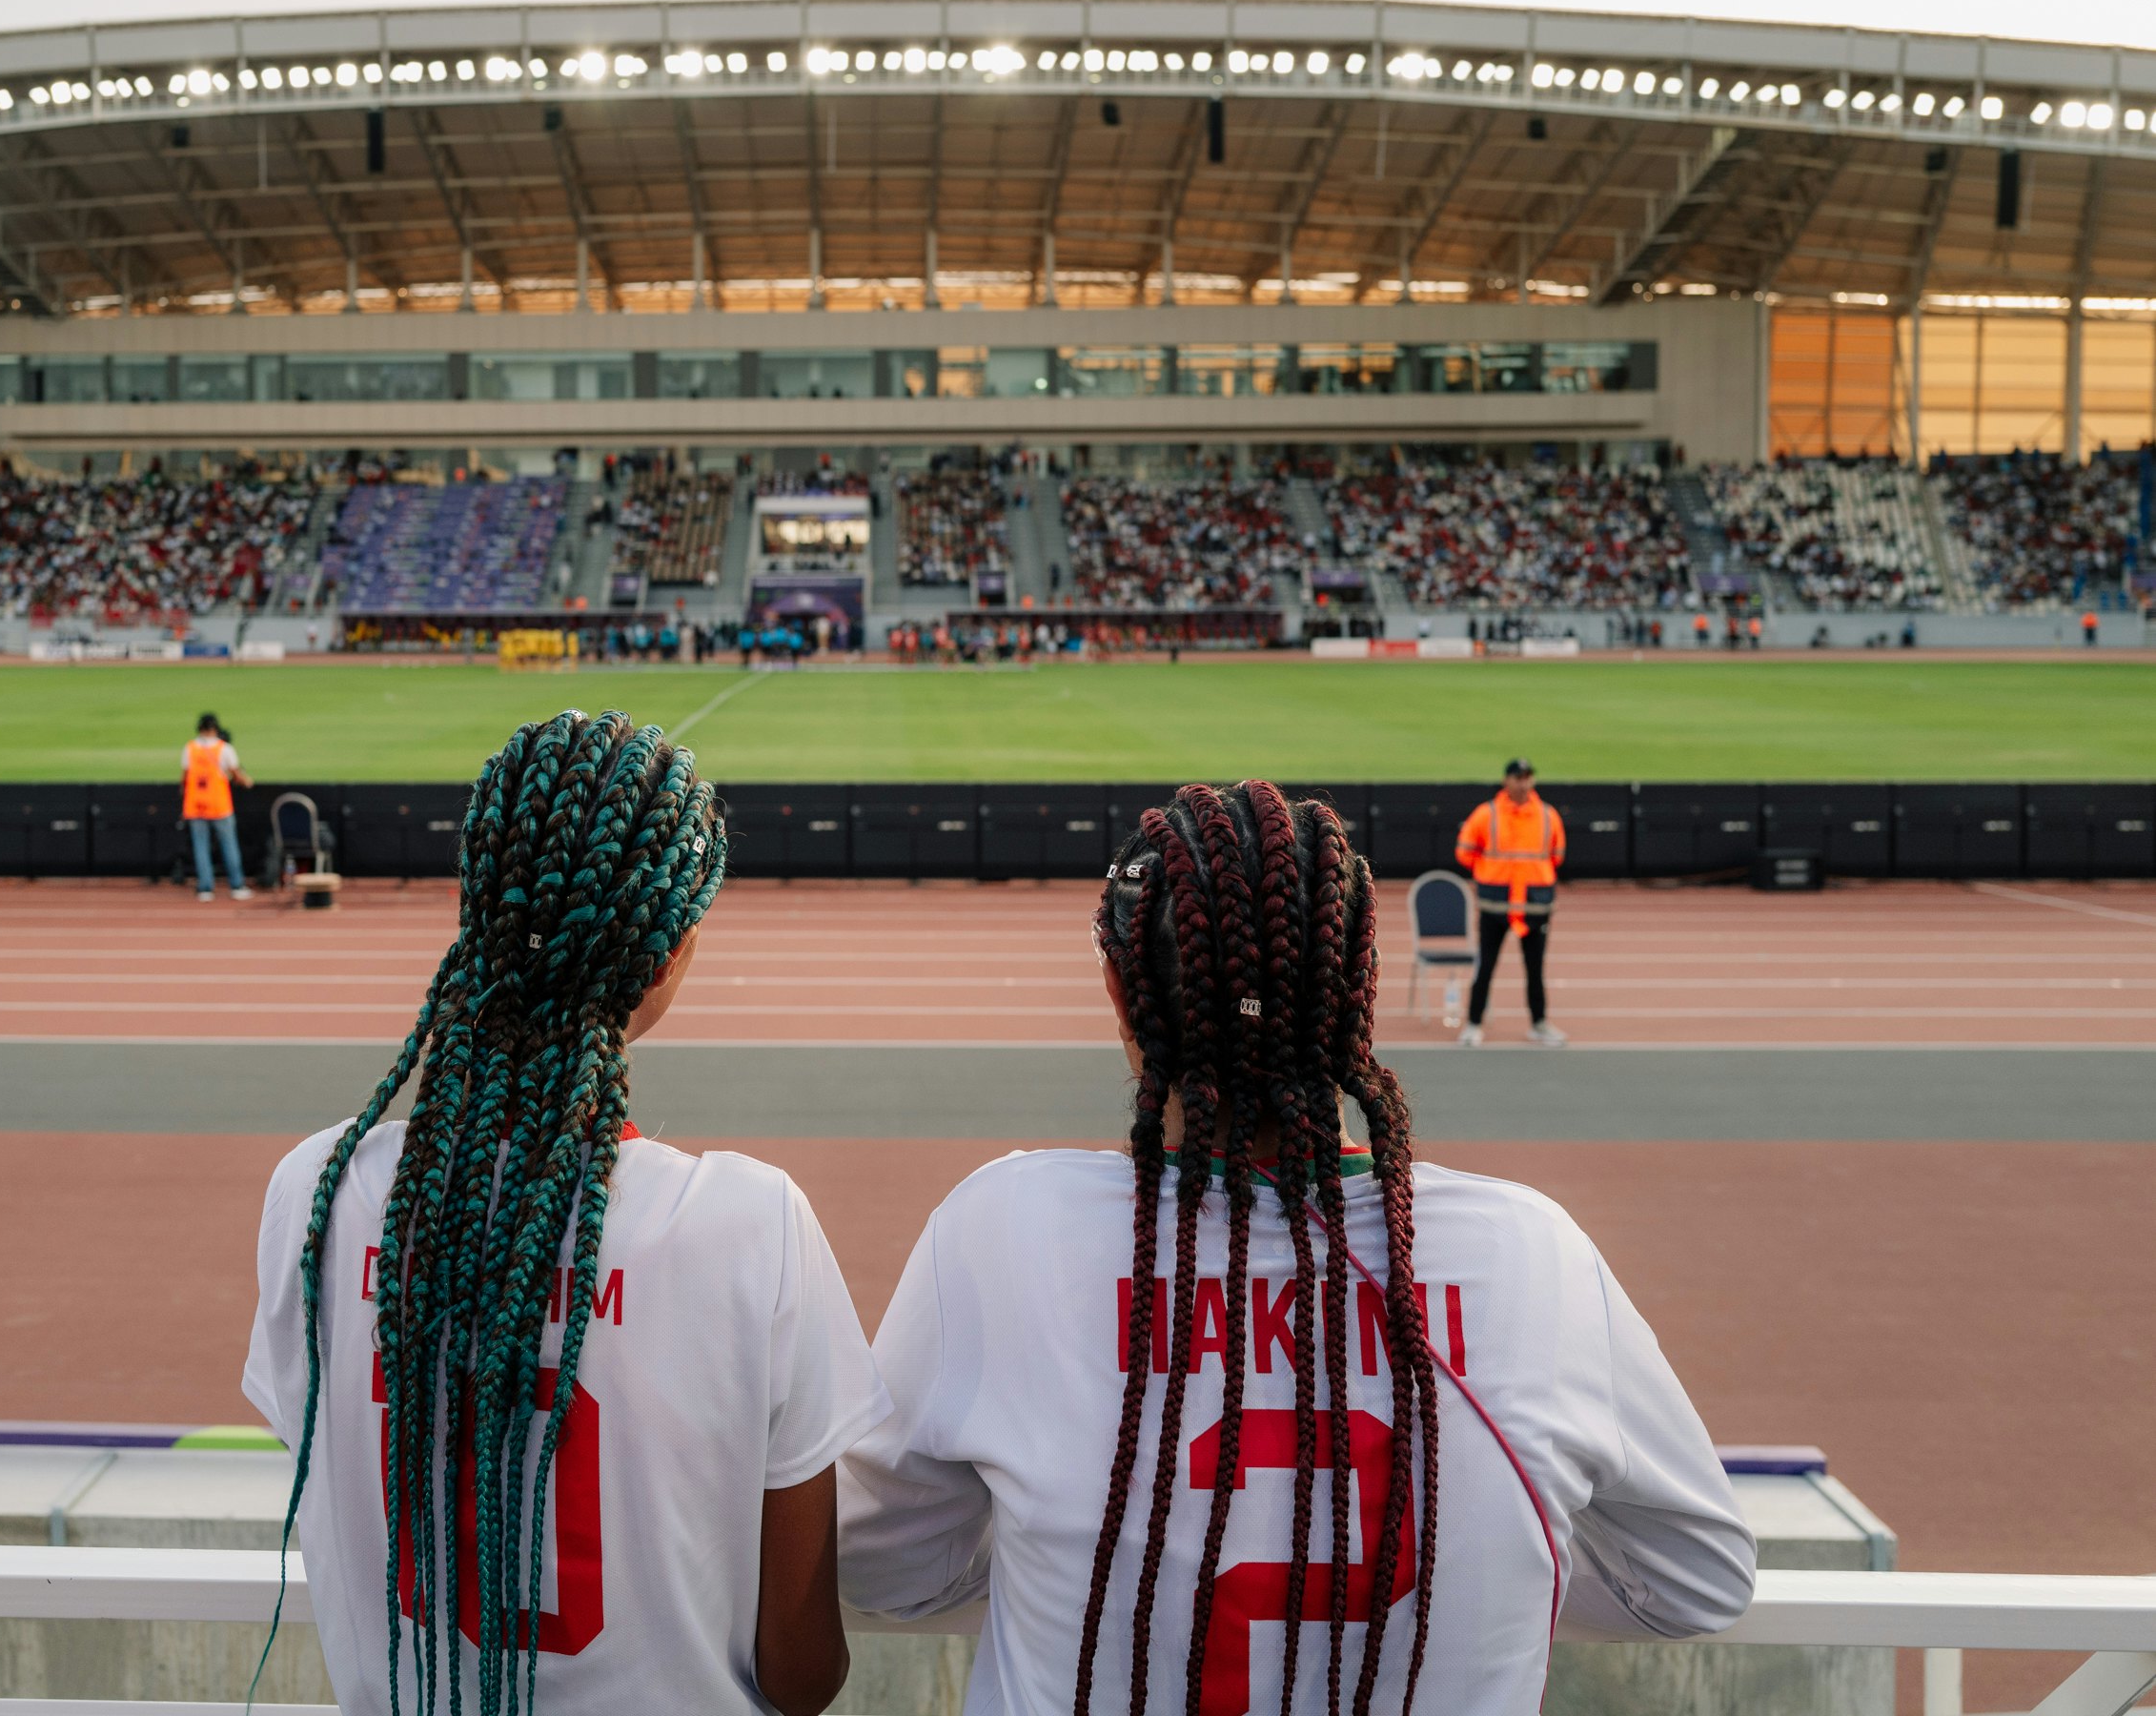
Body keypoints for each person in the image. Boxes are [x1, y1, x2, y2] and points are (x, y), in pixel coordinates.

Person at [840, 783, 1754, 1714]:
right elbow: (1696, 1580)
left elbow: (885, 1572)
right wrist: (1492, 1587)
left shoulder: (1003, 1227)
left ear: (1124, 990)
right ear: (1357, 990)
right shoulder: (1534, 1252)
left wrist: (1068, 1568)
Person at [245, 711, 885, 1716]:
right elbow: (804, 1672)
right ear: (670, 950)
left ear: (474, 906)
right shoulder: (751, 1225)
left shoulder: (316, 1194)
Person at [1454, 760, 1566, 1047]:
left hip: (1534, 907)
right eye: (1518, 778)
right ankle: (1473, 1024)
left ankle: (1539, 1024)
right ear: (1507, 780)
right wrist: (1490, 872)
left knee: (1535, 969)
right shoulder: (1486, 814)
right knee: (1486, 967)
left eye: (1528, 777)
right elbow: (1465, 852)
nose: (1523, 783)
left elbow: (1556, 854)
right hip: (1496, 905)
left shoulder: (1547, 815)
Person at [182, 713, 254, 902]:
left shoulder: (190, 748)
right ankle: (237, 885)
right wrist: (246, 781)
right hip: (219, 805)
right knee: (229, 845)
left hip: (196, 805)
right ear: (216, 729)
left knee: (201, 847)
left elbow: (185, 777)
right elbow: (237, 774)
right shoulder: (224, 749)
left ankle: (205, 888)